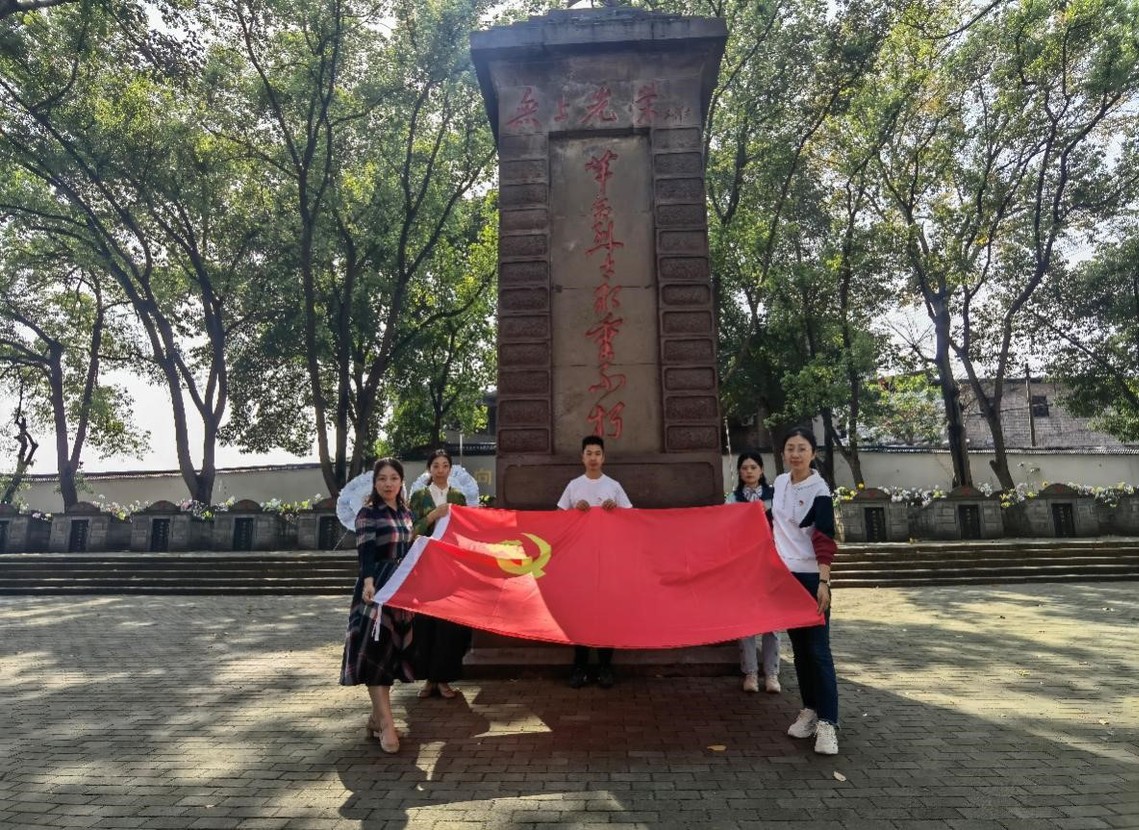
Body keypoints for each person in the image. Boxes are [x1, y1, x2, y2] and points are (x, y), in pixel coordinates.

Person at [339, 457, 416, 754]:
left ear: (401, 482)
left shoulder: (406, 513)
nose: (388, 484)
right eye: (382, 478)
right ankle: (386, 724)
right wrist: (369, 582)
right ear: (374, 483)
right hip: (378, 588)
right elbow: (366, 552)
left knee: (391, 654)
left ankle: (375, 718)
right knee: (375, 651)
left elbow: (408, 550)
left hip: (401, 589)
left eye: (394, 478)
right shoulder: (368, 513)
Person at [772, 427, 840, 755]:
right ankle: (810, 711)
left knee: (818, 650)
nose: (795, 454)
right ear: (783, 453)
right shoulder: (779, 483)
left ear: (813, 453)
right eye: (790, 448)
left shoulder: (819, 490)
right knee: (799, 650)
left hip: (812, 578)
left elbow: (824, 537)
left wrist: (824, 582)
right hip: (786, 579)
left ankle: (828, 723)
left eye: (802, 448)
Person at [556, 435, 632, 689]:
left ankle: (605, 666)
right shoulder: (574, 486)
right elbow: (557, 520)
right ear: (582, 457)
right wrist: (574, 512)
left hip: (608, 560)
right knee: (580, 613)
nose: (593, 458)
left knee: (606, 613)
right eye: (588, 453)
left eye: (597, 453)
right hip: (579, 561)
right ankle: (579, 666)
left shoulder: (613, 486)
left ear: (604, 457)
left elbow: (631, 521)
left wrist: (615, 511)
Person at [408, 449, 472, 700]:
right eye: (436, 465)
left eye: (445, 465)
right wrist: (433, 516)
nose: (441, 470)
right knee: (425, 624)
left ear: (450, 469)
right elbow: (412, 530)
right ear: (429, 469)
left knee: (448, 626)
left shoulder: (458, 497)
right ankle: (428, 679)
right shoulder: (418, 496)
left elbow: (464, 531)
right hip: (425, 566)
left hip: (450, 569)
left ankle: (443, 678)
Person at [726, 450, 782, 694]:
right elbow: (726, 532)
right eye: (744, 468)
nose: (749, 471)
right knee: (746, 622)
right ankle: (750, 672)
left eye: (753, 467)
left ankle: (771, 673)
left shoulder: (775, 497)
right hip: (744, 568)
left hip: (771, 565)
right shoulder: (732, 499)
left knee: (772, 623)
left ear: (761, 470)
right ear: (739, 472)